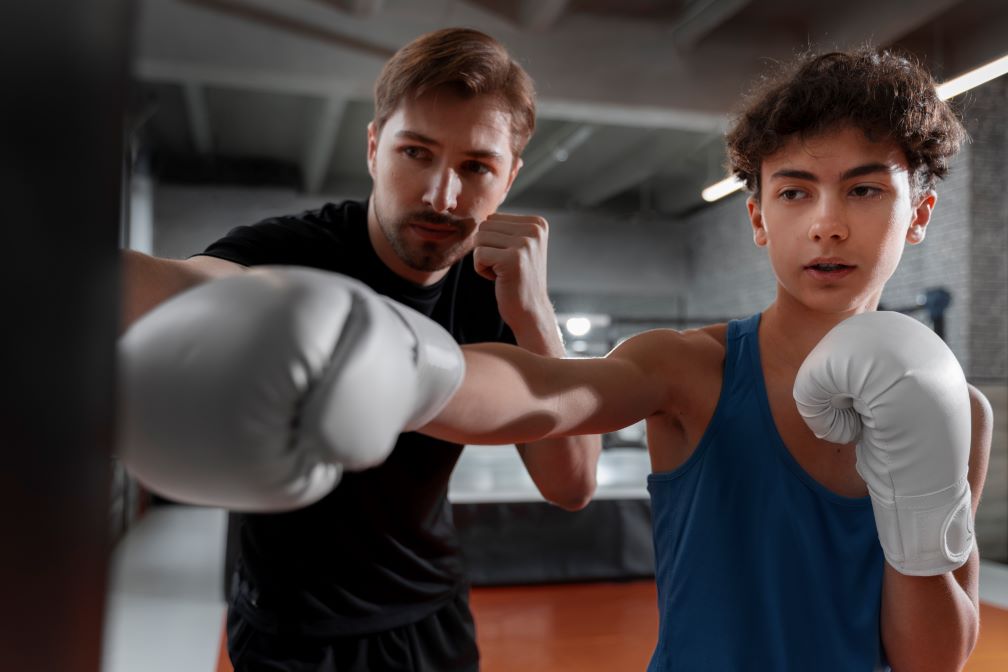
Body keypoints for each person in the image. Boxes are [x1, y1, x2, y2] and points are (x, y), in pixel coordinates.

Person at [419, 48, 993, 671]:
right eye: (796, 191)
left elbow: (932, 660)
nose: (827, 225)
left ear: (919, 214)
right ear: (759, 217)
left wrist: (917, 512)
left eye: (864, 189)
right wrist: (407, 372)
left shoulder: (960, 412)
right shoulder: (686, 368)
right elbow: (549, 391)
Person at [119, 27, 601, 672]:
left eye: (476, 166)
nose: (441, 195)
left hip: (435, 613)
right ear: (375, 147)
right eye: (416, 153)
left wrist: (536, 316)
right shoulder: (294, 250)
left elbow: (571, 485)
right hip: (291, 630)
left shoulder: (500, 287)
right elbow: (188, 285)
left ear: (510, 176)